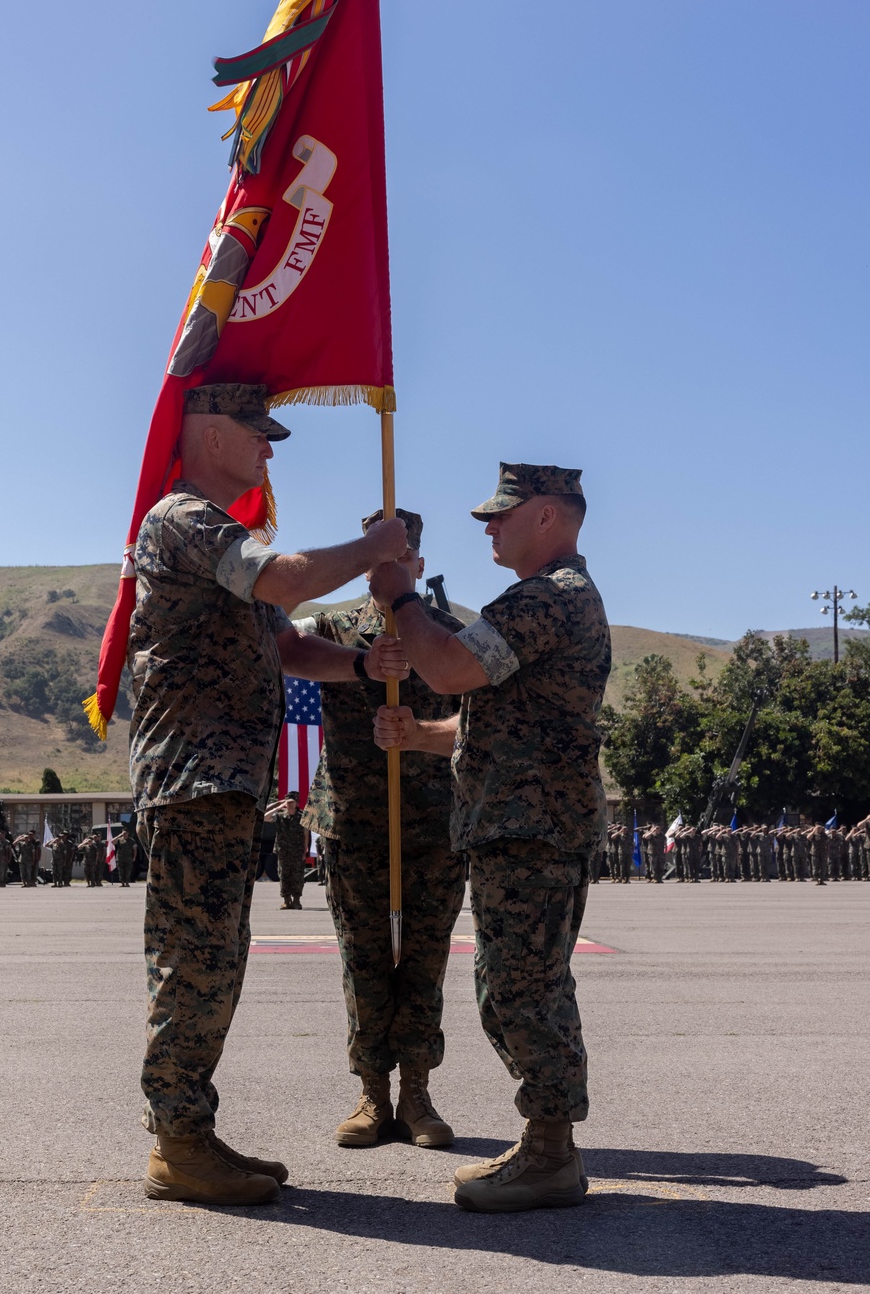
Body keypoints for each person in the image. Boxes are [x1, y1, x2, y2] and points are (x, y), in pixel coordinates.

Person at [128, 383, 409, 1208]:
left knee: (214, 961)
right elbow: (282, 582)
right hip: (193, 779)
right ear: (211, 432)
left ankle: (190, 1130)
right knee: (195, 963)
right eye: (256, 432)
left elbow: (284, 643)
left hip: (220, 783)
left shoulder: (220, 530)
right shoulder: (183, 517)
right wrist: (374, 549)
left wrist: (360, 665)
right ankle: (178, 1142)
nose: (268, 448)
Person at [373, 463, 610, 1213]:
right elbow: (485, 718)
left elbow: (446, 667)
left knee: (524, 989)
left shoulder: (551, 598)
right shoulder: (547, 598)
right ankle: (546, 1142)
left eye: (502, 514)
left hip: (531, 829)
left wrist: (400, 598)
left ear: (549, 515)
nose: (488, 526)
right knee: (511, 987)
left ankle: (550, 1152)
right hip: (521, 825)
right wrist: (419, 736)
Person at [299, 508, 466, 1150]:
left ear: (418, 568)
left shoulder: (451, 638)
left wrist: (421, 736)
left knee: (423, 962)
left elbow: (477, 730)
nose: (389, 573)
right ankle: (372, 1090)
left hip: (433, 828)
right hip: (354, 824)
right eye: (378, 563)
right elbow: (288, 655)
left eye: (401, 563)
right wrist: (362, 663)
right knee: (364, 961)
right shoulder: (333, 630)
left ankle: (417, 1092)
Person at [266, 797, 307, 909]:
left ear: (297, 803)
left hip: (297, 851)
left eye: (292, 802)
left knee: (297, 875)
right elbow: (265, 817)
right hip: (283, 851)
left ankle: (297, 900)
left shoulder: (302, 816)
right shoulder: (279, 816)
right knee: (283, 875)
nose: (290, 804)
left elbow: (306, 834)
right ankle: (286, 900)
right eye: (288, 802)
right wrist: (277, 806)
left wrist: (305, 850)